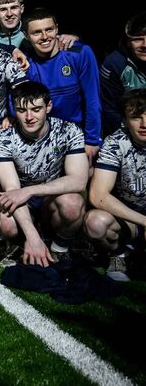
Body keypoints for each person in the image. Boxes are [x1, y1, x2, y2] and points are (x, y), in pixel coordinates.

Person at [0, 82, 88, 266]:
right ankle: (21, 243)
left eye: (36, 109)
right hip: (20, 199)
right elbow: (12, 191)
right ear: (14, 110)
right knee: (6, 224)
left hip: (49, 198)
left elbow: (78, 181)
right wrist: (32, 237)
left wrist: (30, 191)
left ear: (49, 107)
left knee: (73, 204)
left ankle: (59, 247)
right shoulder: (3, 139)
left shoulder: (69, 131)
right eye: (21, 110)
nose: (29, 117)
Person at [21, 7, 101, 165]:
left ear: (57, 29)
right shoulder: (25, 62)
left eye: (49, 29)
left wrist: (92, 140)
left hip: (76, 133)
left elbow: (92, 99)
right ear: (26, 36)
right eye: (37, 32)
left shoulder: (80, 53)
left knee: (87, 178)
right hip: (41, 133)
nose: (45, 37)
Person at [85, 89, 146, 281]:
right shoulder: (115, 143)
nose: (144, 124)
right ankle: (119, 254)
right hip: (129, 218)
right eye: (136, 118)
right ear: (125, 121)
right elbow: (97, 195)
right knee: (95, 223)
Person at [100, 11, 146, 136]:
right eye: (138, 39)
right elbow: (110, 110)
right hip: (131, 132)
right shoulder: (115, 63)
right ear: (128, 42)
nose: (145, 45)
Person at [0, 0, 78, 50]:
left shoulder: (34, 31)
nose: (9, 14)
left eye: (14, 8)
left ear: (22, 9)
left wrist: (73, 37)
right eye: (3, 9)